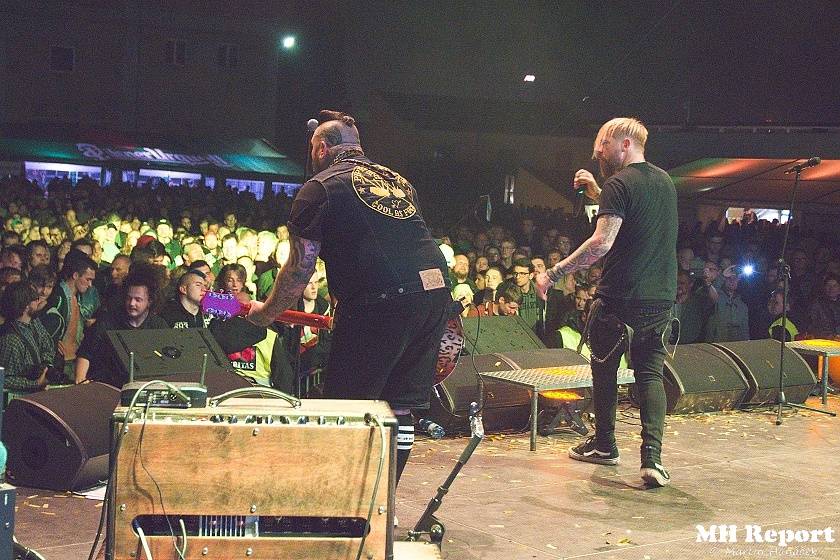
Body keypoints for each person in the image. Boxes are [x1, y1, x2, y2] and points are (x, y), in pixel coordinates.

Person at [247, 110, 451, 486]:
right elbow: (395, 242)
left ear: (322, 149)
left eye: (312, 148)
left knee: (346, 406)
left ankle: (340, 501)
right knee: (399, 407)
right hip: (435, 294)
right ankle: (382, 499)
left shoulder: (320, 187)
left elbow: (300, 268)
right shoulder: (398, 181)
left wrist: (266, 313)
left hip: (382, 302)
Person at [536, 117, 677, 488]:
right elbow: (632, 215)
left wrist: (553, 273)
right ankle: (652, 460)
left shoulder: (619, 183)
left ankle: (605, 444)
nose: (597, 151)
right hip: (659, 296)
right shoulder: (664, 181)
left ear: (625, 144)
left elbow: (602, 242)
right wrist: (598, 192)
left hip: (620, 297)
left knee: (604, 370)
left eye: (603, 144)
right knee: (650, 373)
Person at [74, 263, 169, 386]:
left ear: (150, 301)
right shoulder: (107, 321)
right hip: (107, 386)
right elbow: (85, 354)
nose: (132, 303)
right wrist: (81, 381)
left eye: (138, 300)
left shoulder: (158, 326)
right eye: (129, 298)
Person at [0, 281, 56, 393]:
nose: (39, 301)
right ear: (26, 305)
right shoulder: (11, 340)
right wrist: (36, 383)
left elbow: (47, 345)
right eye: (35, 299)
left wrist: (45, 366)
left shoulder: (34, 323)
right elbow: (4, 379)